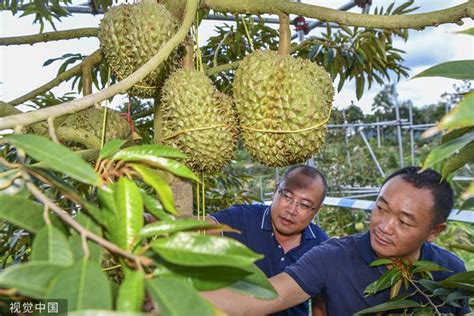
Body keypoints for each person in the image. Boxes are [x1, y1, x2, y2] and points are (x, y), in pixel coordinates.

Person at [203, 166, 470, 315]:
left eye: (404, 221)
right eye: (381, 208)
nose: (384, 226)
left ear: (434, 231)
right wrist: (168, 294)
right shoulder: (331, 257)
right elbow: (256, 299)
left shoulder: (451, 273)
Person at [207, 165, 329, 316]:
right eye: (287, 196)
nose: (291, 210)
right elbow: (203, 228)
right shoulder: (243, 218)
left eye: (304, 205)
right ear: (276, 190)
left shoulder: (321, 246)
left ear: (317, 210)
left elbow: (322, 304)